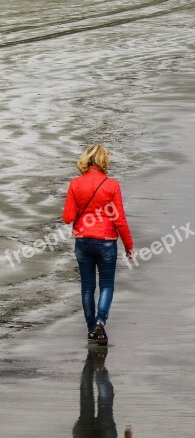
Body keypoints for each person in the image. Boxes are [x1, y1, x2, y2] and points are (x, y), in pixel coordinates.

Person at [62, 144, 134, 344]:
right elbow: (119, 219)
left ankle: (90, 328)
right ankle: (100, 322)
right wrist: (129, 245)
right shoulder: (112, 185)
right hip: (106, 242)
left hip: (83, 241)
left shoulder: (75, 184)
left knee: (87, 287)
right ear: (104, 161)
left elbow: (68, 217)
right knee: (107, 285)